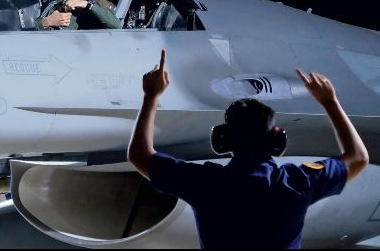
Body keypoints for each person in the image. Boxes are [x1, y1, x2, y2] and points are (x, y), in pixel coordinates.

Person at [127, 50, 369, 249]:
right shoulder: (297, 183)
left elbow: (139, 155)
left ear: (222, 139)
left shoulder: (204, 183)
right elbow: (358, 158)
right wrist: (330, 102)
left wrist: (151, 96)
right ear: (277, 139)